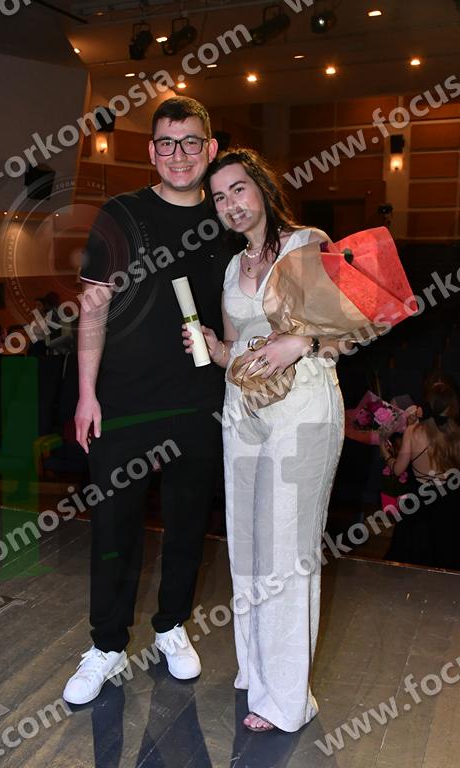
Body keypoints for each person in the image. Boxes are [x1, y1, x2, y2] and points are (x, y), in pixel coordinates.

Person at [63, 97, 232, 705]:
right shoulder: (122, 214)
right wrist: (87, 394)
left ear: (210, 149)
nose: (178, 154)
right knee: (114, 527)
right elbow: (93, 308)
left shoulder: (228, 216)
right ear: (151, 151)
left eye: (190, 142)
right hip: (124, 400)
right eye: (166, 142)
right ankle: (107, 644)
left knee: (188, 522)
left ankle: (171, 626)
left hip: (200, 399)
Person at [183, 148, 349, 733]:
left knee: (286, 552)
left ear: (262, 187)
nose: (230, 203)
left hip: (302, 407)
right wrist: (213, 346)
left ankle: (286, 700)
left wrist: (298, 342)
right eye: (219, 197)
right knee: (249, 548)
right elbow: (237, 351)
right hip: (243, 409)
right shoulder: (234, 268)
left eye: (238, 189)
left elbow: (347, 330)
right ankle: (259, 673)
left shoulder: (307, 244)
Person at [381, 381, 460, 569]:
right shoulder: (456, 433)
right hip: (451, 503)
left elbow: (398, 470)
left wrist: (383, 449)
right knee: (447, 557)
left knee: (414, 560)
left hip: (420, 503)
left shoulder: (413, 432)